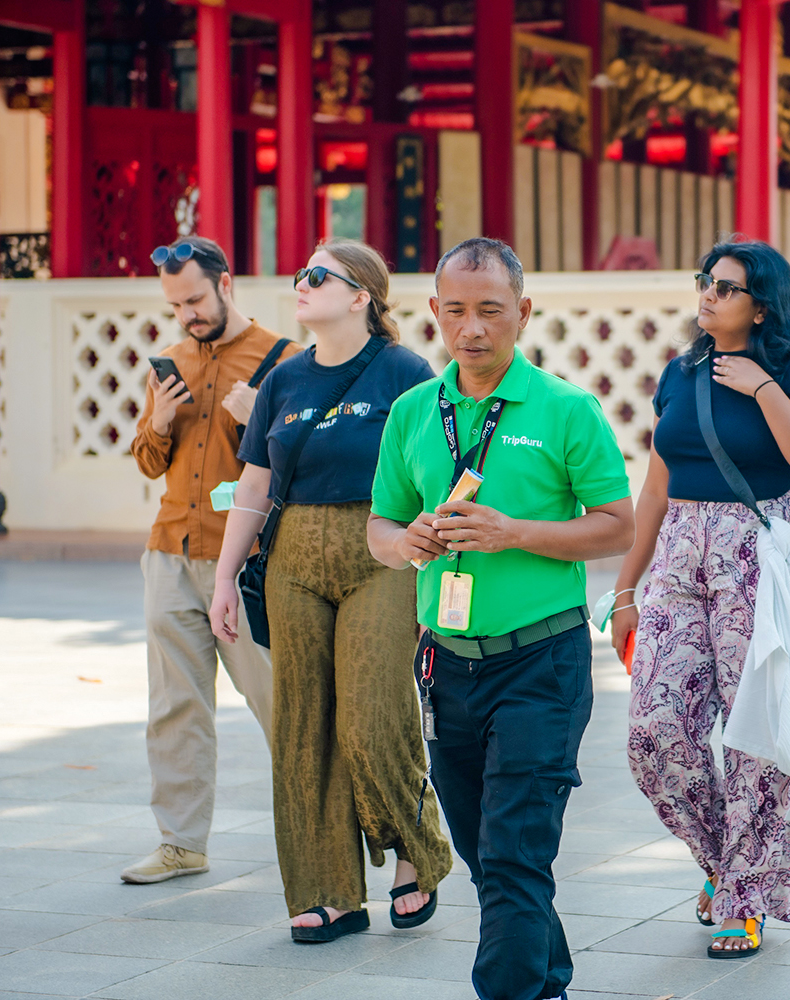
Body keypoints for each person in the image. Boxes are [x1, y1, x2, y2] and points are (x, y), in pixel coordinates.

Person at [367, 237, 635, 1000]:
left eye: (490, 310)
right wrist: (406, 541)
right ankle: (546, 980)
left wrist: (514, 533)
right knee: (488, 855)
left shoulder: (566, 410)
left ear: (523, 311)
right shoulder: (413, 412)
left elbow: (617, 526)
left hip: (540, 663)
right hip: (445, 663)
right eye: (456, 311)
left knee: (515, 850)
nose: (473, 328)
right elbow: (380, 527)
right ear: (434, 312)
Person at [208, 238, 452, 943]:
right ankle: (329, 891)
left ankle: (416, 848)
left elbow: (434, 471)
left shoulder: (405, 372)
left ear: (360, 296)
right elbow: (255, 482)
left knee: (373, 714)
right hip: (292, 556)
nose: (302, 284)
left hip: (381, 550)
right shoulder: (283, 379)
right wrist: (224, 576)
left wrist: (434, 562)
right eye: (301, 274)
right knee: (302, 725)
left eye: (318, 275)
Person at [612, 240, 790, 958]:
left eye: (726, 287)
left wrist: (763, 388)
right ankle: (728, 866)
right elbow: (656, 487)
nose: (708, 295)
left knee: (754, 735)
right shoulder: (680, 373)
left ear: (762, 305)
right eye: (704, 282)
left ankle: (744, 899)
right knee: (654, 731)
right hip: (680, 557)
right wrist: (624, 588)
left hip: (754, 559)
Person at [124, 236, 298, 884]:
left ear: (226, 284)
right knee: (175, 706)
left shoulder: (286, 362)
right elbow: (148, 462)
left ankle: (322, 832)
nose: (187, 314)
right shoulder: (168, 363)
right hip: (170, 552)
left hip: (248, 562)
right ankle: (181, 843)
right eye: (176, 305)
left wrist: (260, 422)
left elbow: (302, 465)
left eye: (195, 299)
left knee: (280, 701)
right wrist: (160, 420)